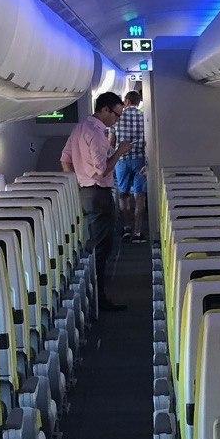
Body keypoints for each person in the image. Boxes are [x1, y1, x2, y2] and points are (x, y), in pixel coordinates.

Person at [59, 91, 126, 308]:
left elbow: (65, 160)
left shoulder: (79, 128)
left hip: (85, 193)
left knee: (92, 243)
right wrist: (120, 151)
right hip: (99, 194)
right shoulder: (96, 134)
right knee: (102, 247)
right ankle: (99, 299)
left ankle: (93, 297)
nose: (117, 120)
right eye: (116, 115)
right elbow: (102, 171)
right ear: (105, 109)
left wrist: (77, 184)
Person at [113, 88, 149, 241]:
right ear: (138, 102)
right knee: (139, 196)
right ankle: (138, 232)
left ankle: (127, 228)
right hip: (140, 159)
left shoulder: (117, 118)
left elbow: (111, 142)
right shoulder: (144, 116)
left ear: (126, 101)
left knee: (123, 195)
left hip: (121, 160)